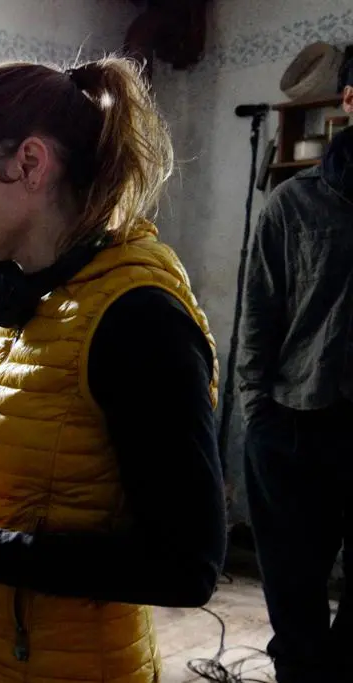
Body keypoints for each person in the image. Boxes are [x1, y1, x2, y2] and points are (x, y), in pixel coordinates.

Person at [0, 56, 228, 683]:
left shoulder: (137, 320)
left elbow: (185, 568)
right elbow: (27, 498)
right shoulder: (22, 300)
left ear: (30, 165)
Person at [237, 60, 353, 683]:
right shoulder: (294, 203)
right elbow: (260, 314)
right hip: (294, 425)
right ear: (351, 100)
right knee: (294, 596)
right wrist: (258, 415)